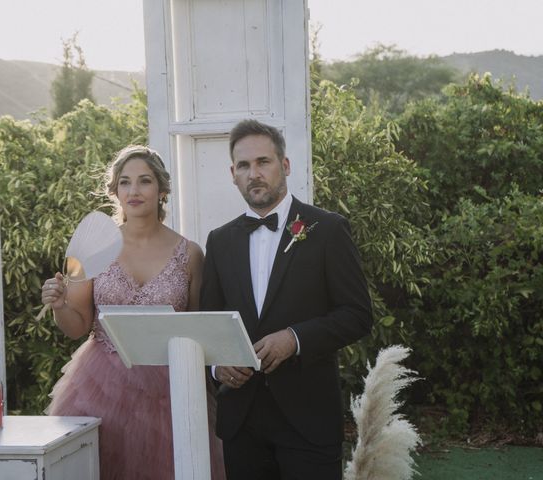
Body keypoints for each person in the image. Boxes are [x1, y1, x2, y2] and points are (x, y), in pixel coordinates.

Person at [200, 119, 373, 479]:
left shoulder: (327, 230)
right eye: (244, 166)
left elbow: (357, 314)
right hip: (241, 422)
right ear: (233, 174)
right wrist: (218, 367)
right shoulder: (219, 241)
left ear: (286, 165)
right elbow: (208, 324)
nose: (254, 174)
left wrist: (294, 339)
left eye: (263, 162)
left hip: (307, 418)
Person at [41, 145, 225, 480]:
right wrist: (60, 305)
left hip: (171, 391)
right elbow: (77, 325)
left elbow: (199, 331)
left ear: (162, 189)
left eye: (145, 181)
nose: (134, 190)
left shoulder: (191, 254)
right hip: (100, 385)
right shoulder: (93, 246)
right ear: (115, 191)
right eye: (125, 182)